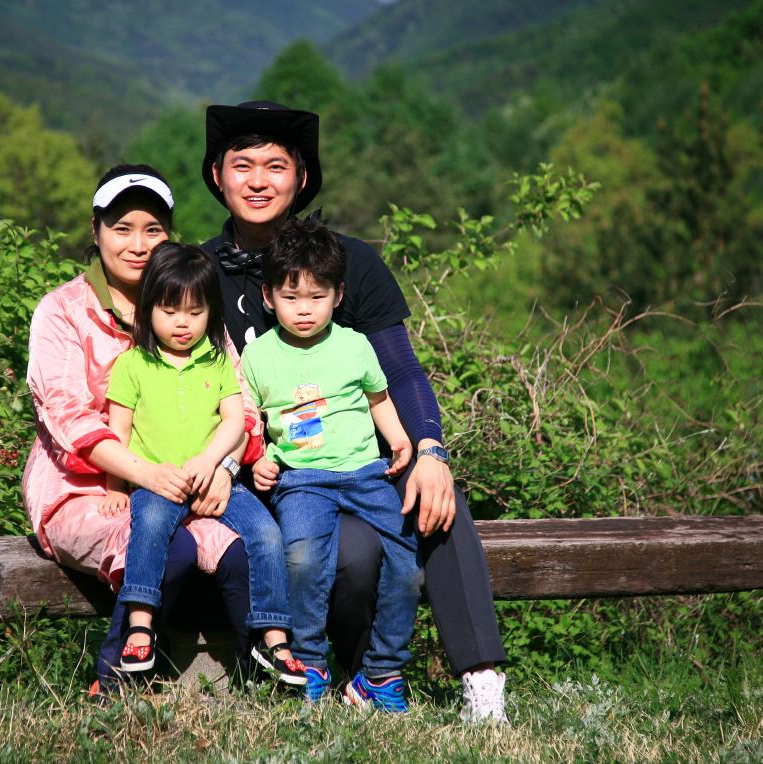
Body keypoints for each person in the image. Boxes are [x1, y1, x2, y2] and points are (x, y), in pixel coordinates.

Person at [200, 101, 509, 723]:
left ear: (302, 178)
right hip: (257, 469)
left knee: (436, 496)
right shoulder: (198, 270)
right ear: (216, 176)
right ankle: (341, 671)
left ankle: (480, 678)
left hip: (357, 461)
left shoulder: (349, 261)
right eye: (242, 165)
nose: (258, 181)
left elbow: (400, 370)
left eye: (275, 166)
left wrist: (429, 448)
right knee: (352, 554)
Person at [22, 165, 258, 695]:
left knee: (242, 548)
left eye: (152, 230)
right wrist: (146, 475)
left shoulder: (192, 308)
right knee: (165, 546)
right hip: (85, 491)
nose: (137, 244)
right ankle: (115, 682)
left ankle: (260, 684)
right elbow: (69, 417)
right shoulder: (64, 311)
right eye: (122, 228)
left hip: (192, 482)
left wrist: (223, 466)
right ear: (96, 230)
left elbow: (242, 403)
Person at [102, 241, 305, 685]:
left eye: (195, 312)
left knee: (266, 532)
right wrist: (116, 487)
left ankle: (275, 639)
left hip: (216, 479)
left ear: (211, 313)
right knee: (150, 526)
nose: (183, 322)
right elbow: (118, 433)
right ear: (148, 308)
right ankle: (140, 627)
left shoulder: (216, 361)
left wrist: (212, 462)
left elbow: (234, 420)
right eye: (170, 310)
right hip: (158, 483)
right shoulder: (132, 364)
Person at [242, 215, 422, 712]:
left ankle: (381, 673)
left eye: (317, 296)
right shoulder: (258, 357)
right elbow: (249, 420)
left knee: (409, 566)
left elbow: (379, 397)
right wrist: (259, 459)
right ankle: (309, 664)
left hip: (367, 475)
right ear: (268, 296)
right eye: (291, 297)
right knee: (302, 560)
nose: (304, 309)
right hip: (301, 482)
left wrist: (400, 439)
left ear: (338, 296)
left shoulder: (354, 344)